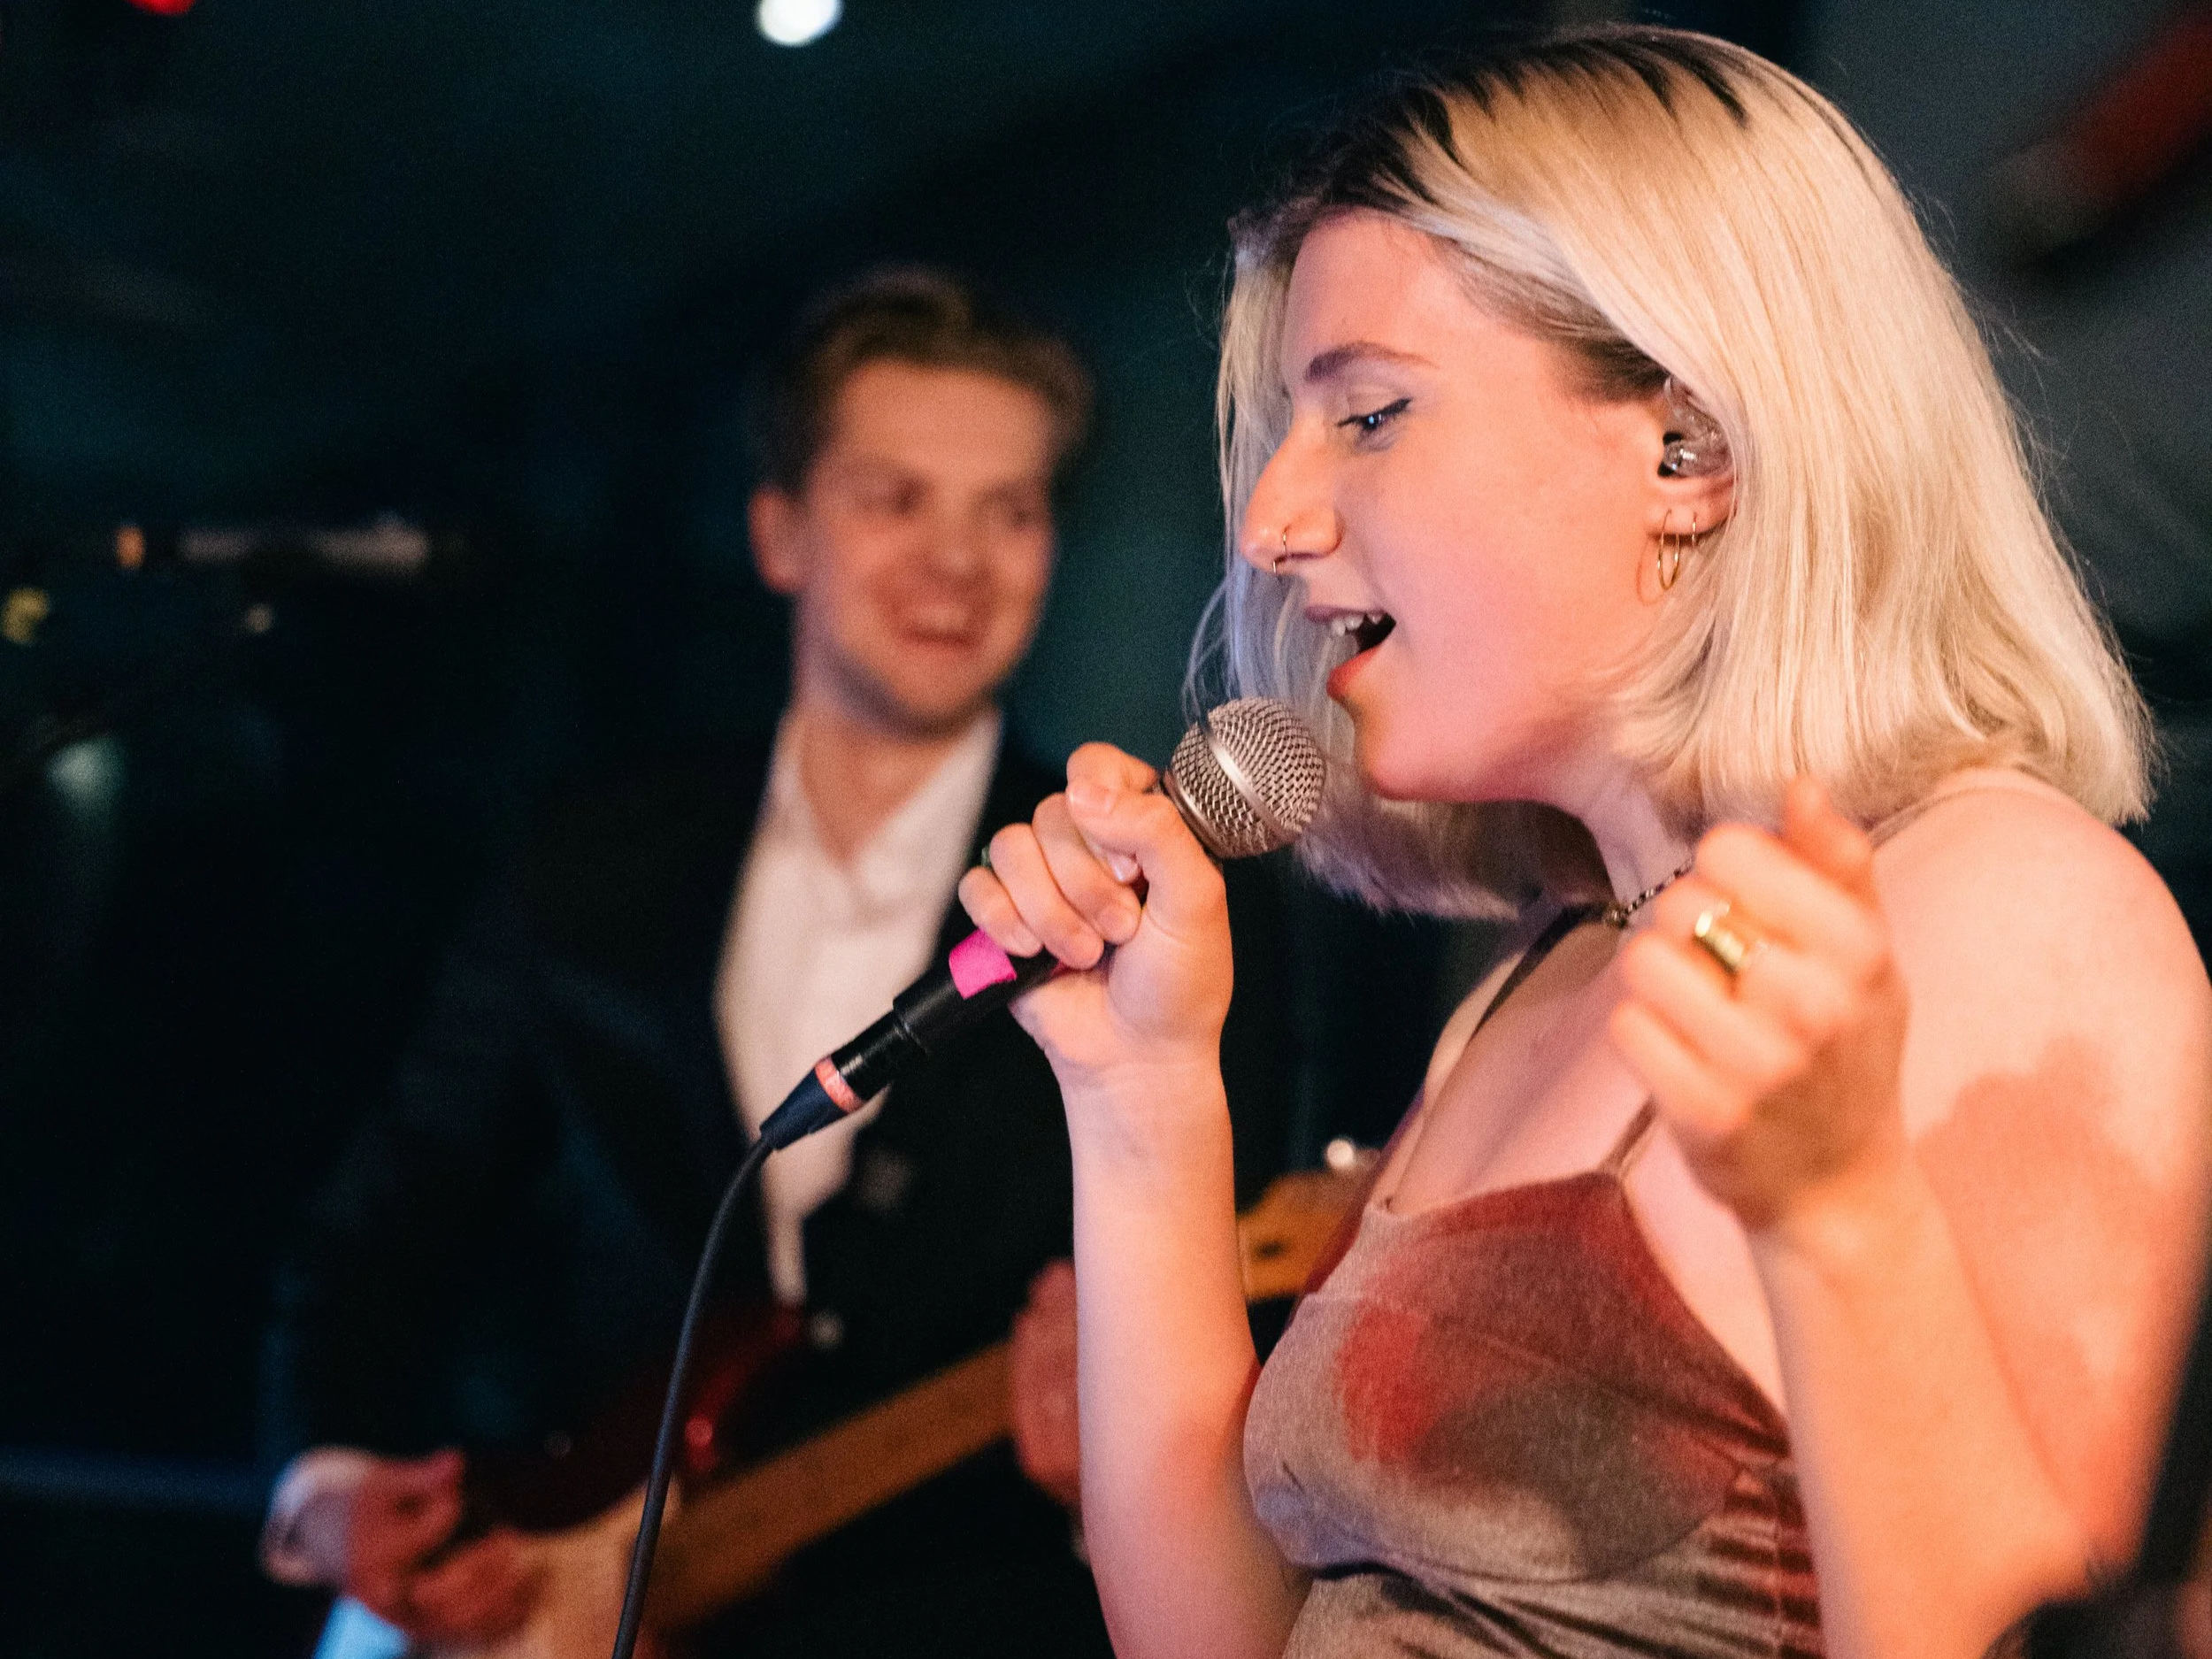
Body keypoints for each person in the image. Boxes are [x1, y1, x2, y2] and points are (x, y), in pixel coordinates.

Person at [959, 27, 2212, 1659]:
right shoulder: (1537, 977)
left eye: (1371, 415)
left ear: (1688, 448)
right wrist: (1142, 1107)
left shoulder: (2007, 907)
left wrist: (1836, 1207)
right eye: (1289, 429)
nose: (1270, 520)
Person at [256, 268, 1294, 1656]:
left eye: (1012, 510)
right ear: (778, 533)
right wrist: (328, 1484)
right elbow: (390, 1218)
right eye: (894, 498)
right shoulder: (586, 856)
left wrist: (1117, 1470)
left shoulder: (1151, 896)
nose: (959, 562)